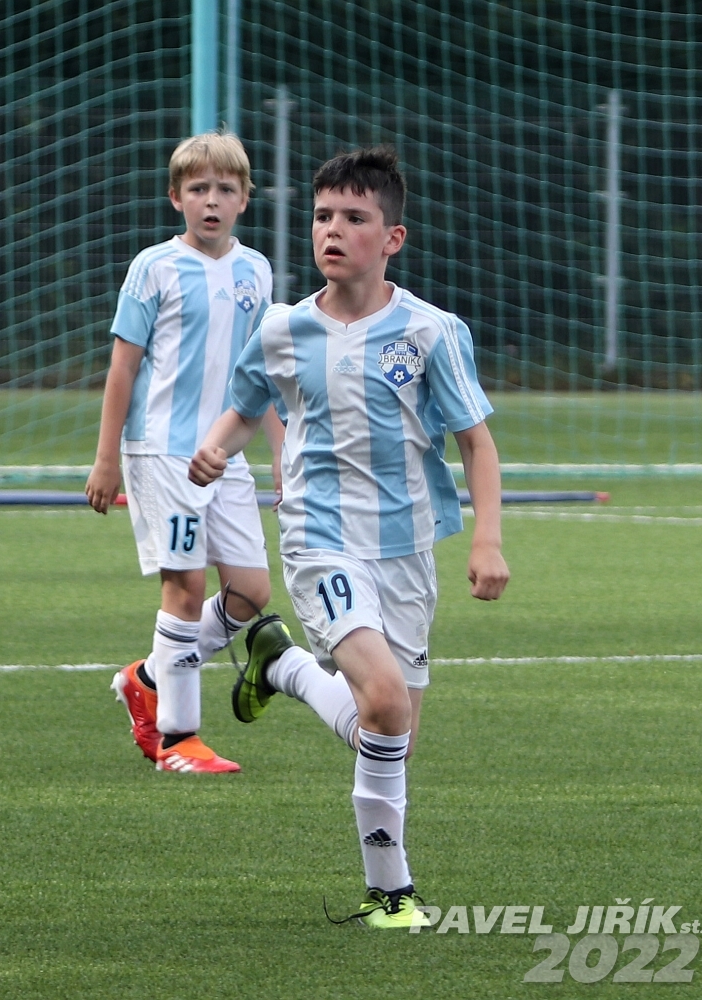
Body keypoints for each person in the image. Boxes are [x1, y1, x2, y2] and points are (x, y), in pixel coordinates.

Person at [191, 146, 508, 928]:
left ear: (391, 238)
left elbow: (475, 443)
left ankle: (285, 668)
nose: (332, 230)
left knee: (389, 726)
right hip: (318, 537)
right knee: (386, 701)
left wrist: (486, 540)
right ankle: (389, 893)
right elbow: (245, 405)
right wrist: (215, 448)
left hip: (405, 549)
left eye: (353, 218)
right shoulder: (282, 328)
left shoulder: (431, 332)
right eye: (322, 216)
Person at [85, 132, 285, 774]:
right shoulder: (155, 267)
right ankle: (178, 738)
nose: (212, 200)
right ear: (176, 198)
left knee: (250, 590)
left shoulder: (257, 271)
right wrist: (106, 458)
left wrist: (282, 454)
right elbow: (123, 367)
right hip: (162, 453)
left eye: (226, 189)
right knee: (186, 584)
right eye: (199, 189)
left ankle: (148, 676)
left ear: (245, 199)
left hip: (224, 455)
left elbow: (261, 376)